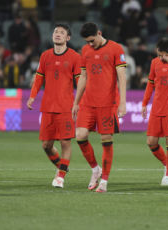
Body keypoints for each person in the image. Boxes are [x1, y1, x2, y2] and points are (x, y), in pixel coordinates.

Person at [72, 22, 127, 193]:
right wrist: (76, 102)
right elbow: (83, 76)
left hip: (107, 103)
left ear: (99, 33)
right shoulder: (85, 50)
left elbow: (122, 77)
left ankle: (104, 180)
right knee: (80, 136)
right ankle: (95, 169)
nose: (90, 44)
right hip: (88, 102)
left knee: (106, 139)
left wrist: (123, 102)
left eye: (92, 40)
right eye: (87, 41)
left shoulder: (116, 49)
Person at [27, 24, 81, 188]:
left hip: (66, 107)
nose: (57, 34)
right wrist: (32, 97)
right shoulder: (45, 56)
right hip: (48, 107)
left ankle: (60, 177)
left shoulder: (75, 57)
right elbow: (38, 79)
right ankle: (62, 167)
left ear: (68, 38)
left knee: (65, 143)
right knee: (46, 145)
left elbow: (80, 82)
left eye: (62, 32)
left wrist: (79, 103)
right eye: (55, 31)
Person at [141, 37, 168, 186]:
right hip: (157, 106)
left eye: (163, 55)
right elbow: (150, 84)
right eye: (159, 54)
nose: (160, 57)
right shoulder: (154, 63)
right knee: (151, 142)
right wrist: (144, 103)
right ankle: (167, 163)